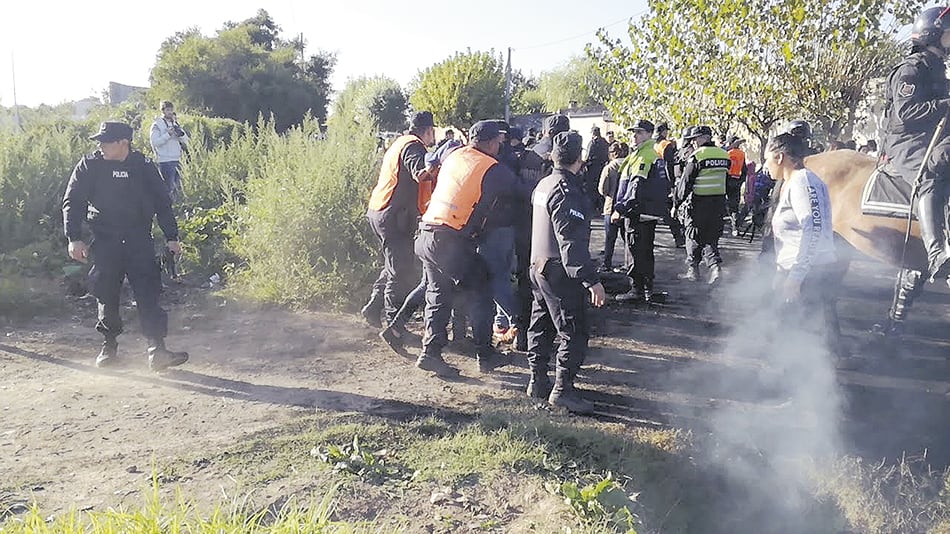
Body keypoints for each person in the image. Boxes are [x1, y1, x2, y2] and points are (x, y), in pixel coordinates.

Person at [62, 122, 189, 371]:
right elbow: (73, 201)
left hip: (138, 238)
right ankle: (108, 349)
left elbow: (163, 203)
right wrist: (73, 237)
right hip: (105, 239)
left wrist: (172, 237)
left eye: (106, 141)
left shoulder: (143, 166)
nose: (101, 145)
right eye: (99, 141)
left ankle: (157, 350)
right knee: (105, 292)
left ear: (124, 143)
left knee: (148, 292)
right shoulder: (90, 165)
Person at [415, 120, 523, 376]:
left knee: (438, 294)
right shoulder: (492, 168)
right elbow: (522, 191)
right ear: (488, 142)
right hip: (449, 240)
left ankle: (430, 352)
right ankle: (485, 355)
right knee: (482, 290)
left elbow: (435, 157)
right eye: (498, 141)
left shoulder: (454, 153)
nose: (500, 145)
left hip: (426, 233)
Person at [527, 131, 606, 414]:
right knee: (573, 330)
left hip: (538, 265)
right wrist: (591, 280)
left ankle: (537, 381)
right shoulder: (565, 190)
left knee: (541, 325)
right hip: (559, 271)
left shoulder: (544, 184)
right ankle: (562, 390)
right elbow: (570, 241)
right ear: (580, 157)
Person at [881, 5, 950, 282]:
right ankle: (936, 254)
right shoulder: (912, 68)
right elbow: (906, 113)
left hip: (933, 137)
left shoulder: (938, 69)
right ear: (933, 35)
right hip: (906, 141)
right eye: (948, 34)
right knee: (930, 174)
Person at [764, 132, 842, 356]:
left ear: (780, 157)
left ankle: (795, 380)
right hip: (802, 270)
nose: (765, 165)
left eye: (767, 159)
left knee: (796, 332)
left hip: (810, 273)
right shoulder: (793, 182)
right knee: (789, 330)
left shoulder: (803, 182)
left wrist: (795, 277)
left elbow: (813, 229)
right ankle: (790, 377)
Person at [362, 111, 437, 337]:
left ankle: (374, 309)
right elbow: (420, 174)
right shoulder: (414, 147)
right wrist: (438, 163)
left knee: (393, 264)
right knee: (400, 271)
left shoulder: (399, 143)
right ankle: (395, 326)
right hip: (392, 216)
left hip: (379, 210)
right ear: (428, 131)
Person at [612, 120, 671, 302]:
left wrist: (620, 209)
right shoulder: (648, 152)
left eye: (638, 132)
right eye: (633, 132)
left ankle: (636, 289)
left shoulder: (644, 155)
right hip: (646, 211)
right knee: (645, 250)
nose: (634, 136)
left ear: (648, 134)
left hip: (637, 211)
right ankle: (647, 289)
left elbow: (635, 187)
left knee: (635, 249)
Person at [676, 125, 729, 285]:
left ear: (702, 138)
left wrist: (677, 203)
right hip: (718, 202)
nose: (693, 143)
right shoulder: (724, 155)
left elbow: (686, 182)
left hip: (699, 202)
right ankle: (715, 268)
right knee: (711, 237)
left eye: (695, 139)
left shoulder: (697, 156)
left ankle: (693, 270)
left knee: (693, 235)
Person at [598, 141, 630, 272]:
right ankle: (629, 264)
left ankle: (607, 264)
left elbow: (602, 189)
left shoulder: (609, 167)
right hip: (627, 207)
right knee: (627, 238)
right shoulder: (630, 165)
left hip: (610, 206)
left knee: (610, 238)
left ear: (612, 154)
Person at [653, 122, 687, 247]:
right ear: (663, 132)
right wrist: (672, 184)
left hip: (653, 181)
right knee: (669, 212)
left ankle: (648, 239)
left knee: (651, 213)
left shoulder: (652, 144)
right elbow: (669, 166)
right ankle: (679, 238)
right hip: (664, 182)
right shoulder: (666, 145)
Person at [149, 101, 189, 203]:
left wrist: (179, 134)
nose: (170, 112)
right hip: (165, 160)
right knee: (168, 188)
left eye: (171, 110)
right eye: (167, 110)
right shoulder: (157, 124)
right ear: (163, 111)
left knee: (179, 188)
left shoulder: (175, 123)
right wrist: (168, 135)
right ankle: (168, 208)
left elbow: (186, 140)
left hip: (178, 159)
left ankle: (178, 208)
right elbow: (155, 142)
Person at [725, 135, 748, 236]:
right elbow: (744, 170)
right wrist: (741, 181)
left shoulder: (727, 153)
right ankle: (735, 227)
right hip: (736, 181)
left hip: (726, 180)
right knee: (734, 205)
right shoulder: (742, 154)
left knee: (722, 203)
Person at [584, 126, 610, 207]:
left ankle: (593, 206)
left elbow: (588, 156)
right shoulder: (605, 142)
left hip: (592, 168)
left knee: (592, 188)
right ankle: (600, 205)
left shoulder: (592, 143)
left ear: (593, 133)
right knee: (601, 185)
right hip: (602, 167)